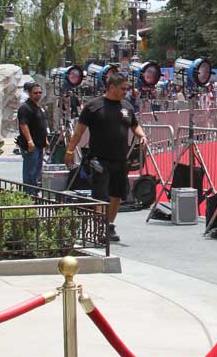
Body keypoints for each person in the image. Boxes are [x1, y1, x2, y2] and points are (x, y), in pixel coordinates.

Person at [64, 72, 147, 243]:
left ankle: (109, 224)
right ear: (111, 87)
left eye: (127, 88)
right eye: (123, 89)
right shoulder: (93, 106)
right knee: (101, 194)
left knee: (117, 193)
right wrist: (70, 151)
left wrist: (142, 136)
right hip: (99, 158)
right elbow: (79, 132)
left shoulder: (127, 107)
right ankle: (100, 227)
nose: (126, 92)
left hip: (120, 159)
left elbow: (135, 126)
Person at [16, 82, 48, 194]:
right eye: (35, 93)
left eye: (40, 92)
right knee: (30, 170)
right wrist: (29, 141)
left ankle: (34, 192)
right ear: (29, 93)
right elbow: (23, 125)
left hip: (40, 144)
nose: (38, 95)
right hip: (31, 146)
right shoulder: (25, 108)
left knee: (37, 170)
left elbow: (42, 125)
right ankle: (29, 193)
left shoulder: (39, 108)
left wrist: (45, 139)